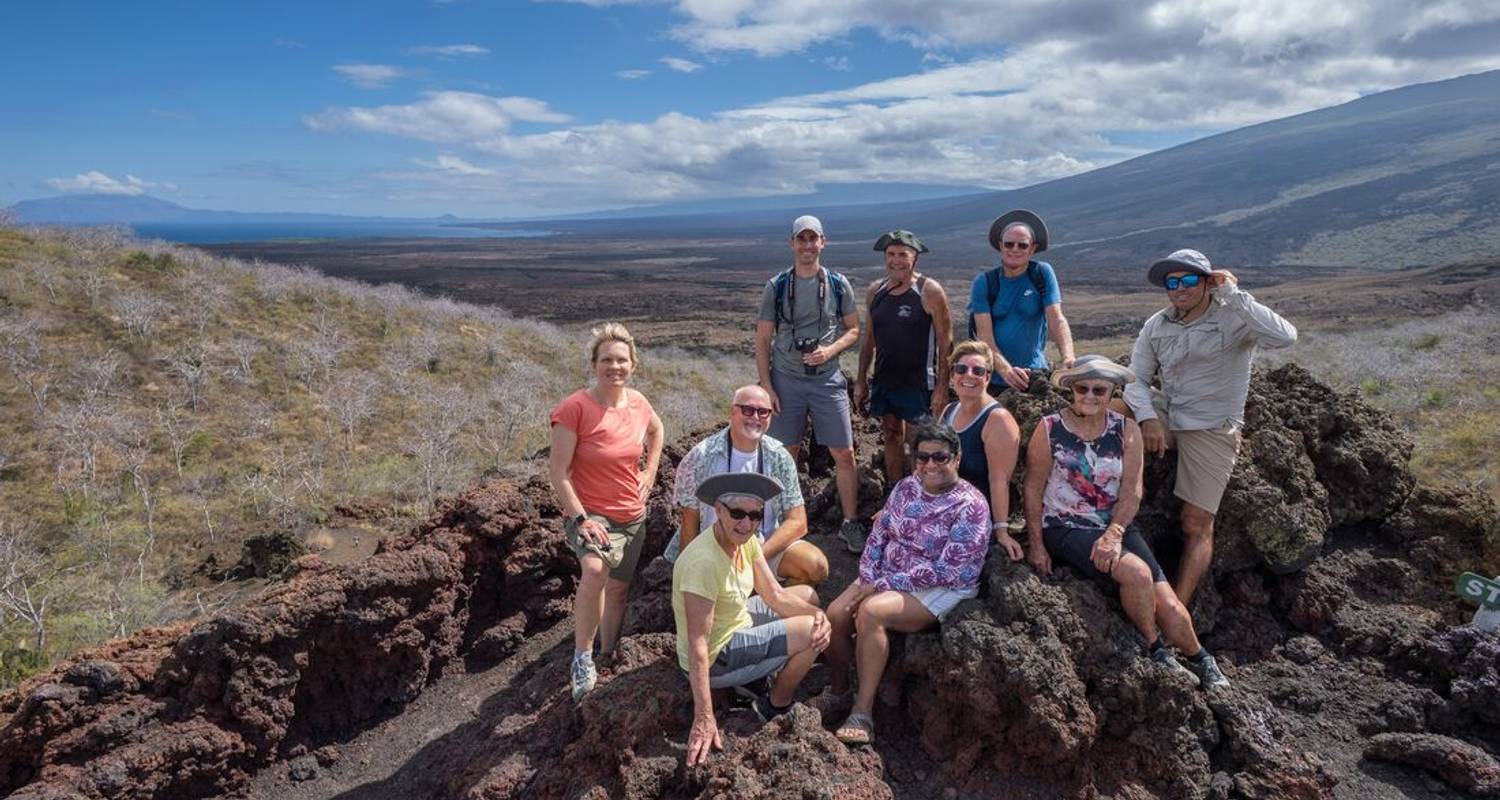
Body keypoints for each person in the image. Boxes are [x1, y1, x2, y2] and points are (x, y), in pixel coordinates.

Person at [1023, 355, 1230, 689]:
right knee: (1137, 573)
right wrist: (1036, 545)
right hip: (1065, 525)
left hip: (1115, 524)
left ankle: (1201, 659)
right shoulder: (1049, 429)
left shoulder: (1126, 430)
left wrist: (1115, 532)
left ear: (1112, 393)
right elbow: (1032, 488)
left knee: (1170, 605)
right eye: (1082, 388)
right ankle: (1155, 648)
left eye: (1099, 390)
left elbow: (1133, 490)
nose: (1090, 396)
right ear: (1071, 389)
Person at [1122, 249, 1298, 605]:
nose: (1179, 288)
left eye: (1188, 279)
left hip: (1211, 426)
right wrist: (1147, 417)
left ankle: (1177, 608)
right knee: (1109, 406)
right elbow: (1134, 379)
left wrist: (1233, 293)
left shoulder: (1234, 317)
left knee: (1196, 522)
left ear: (1208, 282)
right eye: (1172, 282)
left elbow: (1286, 337)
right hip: (1169, 412)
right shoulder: (1158, 324)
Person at [811, 422, 990, 746]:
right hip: (887, 573)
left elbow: (948, 570)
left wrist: (882, 584)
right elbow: (879, 534)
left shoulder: (971, 506)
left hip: (939, 587)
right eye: (923, 457)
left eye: (940, 457)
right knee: (836, 613)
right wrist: (868, 575)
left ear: (957, 458)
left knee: (872, 612)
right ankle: (839, 689)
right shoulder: (907, 487)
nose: (930, 465)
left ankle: (862, 711)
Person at [675, 472, 832, 767]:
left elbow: (775, 595)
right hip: (716, 656)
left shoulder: (745, 540)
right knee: (812, 633)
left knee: (808, 597)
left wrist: (820, 615)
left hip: (736, 620)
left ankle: (754, 679)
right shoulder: (703, 564)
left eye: (755, 515)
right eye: (737, 513)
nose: (746, 524)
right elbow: (699, 644)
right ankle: (774, 704)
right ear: (718, 510)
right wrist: (704, 716)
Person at [548, 322, 665, 701]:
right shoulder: (574, 409)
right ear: (594, 364)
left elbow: (657, 431)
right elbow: (558, 472)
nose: (615, 367)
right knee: (596, 571)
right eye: (607, 360)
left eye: (622, 360)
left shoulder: (638, 403)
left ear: (633, 364)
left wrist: (650, 471)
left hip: (632, 514)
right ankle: (582, 657)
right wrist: (581, 519)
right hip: (592, 514)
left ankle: (608, 652)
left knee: (618, 589)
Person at [755, 215, 865, 553]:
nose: (807, 245)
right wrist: (766, 387)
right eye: (801, 239)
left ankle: (850, 522)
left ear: (822, 242)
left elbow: (854, 329)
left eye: (812, 239)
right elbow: (763, 339)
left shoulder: (837, 284)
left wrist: (829, 350)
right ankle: (779, 523)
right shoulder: (776, 286)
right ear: (792, 243)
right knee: (785, 452)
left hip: (827, 379)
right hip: (785, 379)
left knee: (843, 452)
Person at [664, 384, 829, 586]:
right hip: (714, 551)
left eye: (763, 412)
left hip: (764, 548)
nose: (755, 417)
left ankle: (765, 599)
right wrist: (688, 572)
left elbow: (798, 522)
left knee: (816, 566)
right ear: (732, 411)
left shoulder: (779, 457)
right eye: (748, 410)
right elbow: (689, 520)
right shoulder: (701, 456)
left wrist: (754, 560)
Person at [855, 229, 953, 486]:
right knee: (890, 435)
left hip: (919, 382)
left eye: (902, 255)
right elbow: (868, 339)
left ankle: (921, 493)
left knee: (918, 442)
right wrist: (861, 379)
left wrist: (942, 387)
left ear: (915, 258)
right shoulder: (876, 291)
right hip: (885, 378)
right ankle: (895, 490)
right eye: (891, 254)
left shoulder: (928, 291)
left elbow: (946, 344)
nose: (896, 260)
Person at [969, 209, 1075, 393]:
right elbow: (984, 337)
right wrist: (1006, 371)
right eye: (1009, 244)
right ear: (1000, 246)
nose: (1015, 249)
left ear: (1032, 248)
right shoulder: (985, 282)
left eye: (1022, 245)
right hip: (993, 380)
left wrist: (1068, 357)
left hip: (1035, 375)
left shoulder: (1041, 274)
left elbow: (1056, 319)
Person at [938, 340, 1023, 561]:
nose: (969, 375)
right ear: (952, 374)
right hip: (943, 504)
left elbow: (999, 480)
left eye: (978, 371)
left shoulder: (998, 420)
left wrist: (1001, 530)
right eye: (961, 369)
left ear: (987, 377)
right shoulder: (949, 410)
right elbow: (931, 465)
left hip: (973, 514)